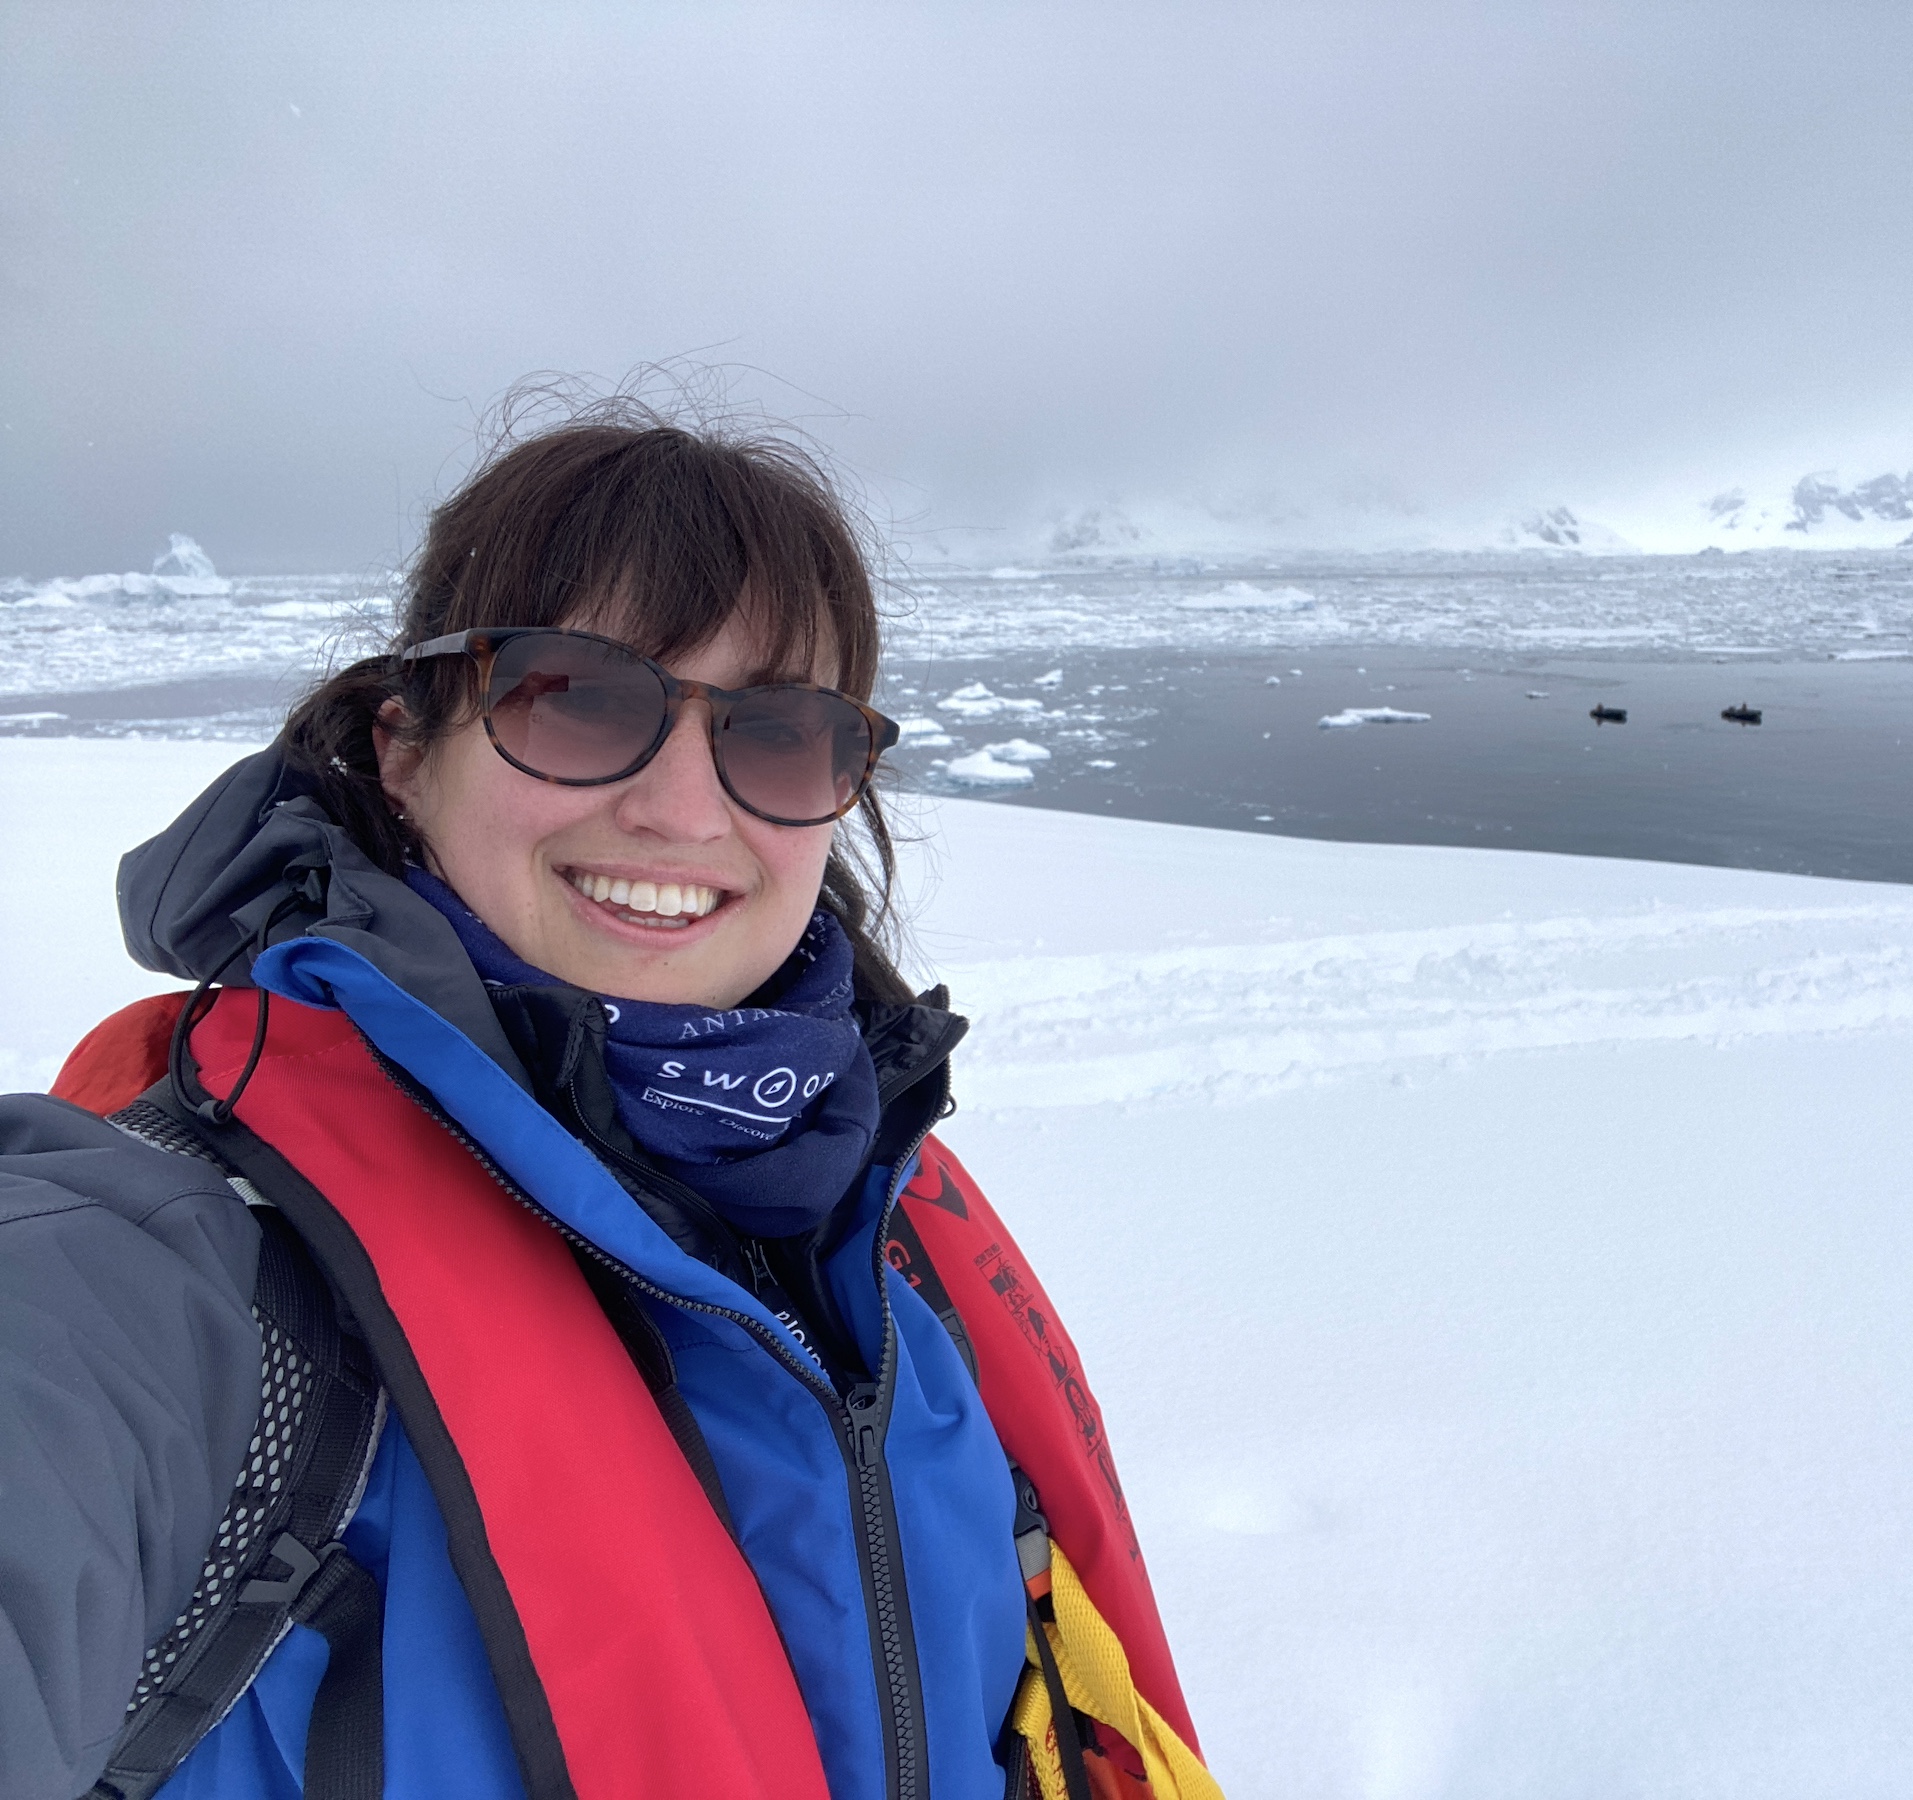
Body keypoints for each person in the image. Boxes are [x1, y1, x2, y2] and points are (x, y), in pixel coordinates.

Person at [0, 411, 1214, 1800]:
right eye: (576, 695)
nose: (684, 811)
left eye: (778, 731)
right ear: (405, 745)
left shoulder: (873, 1217)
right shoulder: (170, 1283)